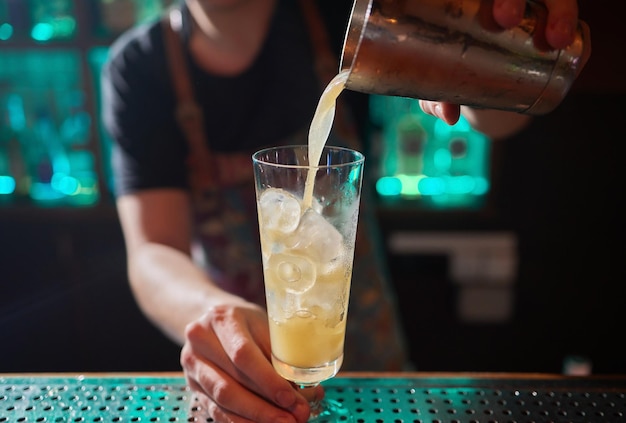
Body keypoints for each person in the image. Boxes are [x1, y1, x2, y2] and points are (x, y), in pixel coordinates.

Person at [101, 1, 584, 422]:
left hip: (375, 375)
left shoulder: (350, 17)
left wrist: (502, 32)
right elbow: (153, 252)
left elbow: (494, 117)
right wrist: (214, 316)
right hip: (243, 379)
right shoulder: (140, 69)